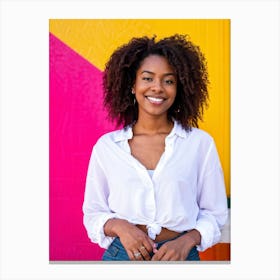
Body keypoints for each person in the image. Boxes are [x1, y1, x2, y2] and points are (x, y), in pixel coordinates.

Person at [82, 34, 228, 261]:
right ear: (132, 85)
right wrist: (121, 227)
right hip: (122, 256)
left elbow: (216, 213)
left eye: (168, 81)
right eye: (148, 78)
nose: (158, 88)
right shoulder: (107, 148)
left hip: (181, 257)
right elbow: (93, 214)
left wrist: (187, 241)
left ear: (179, 88)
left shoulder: (199, 144)